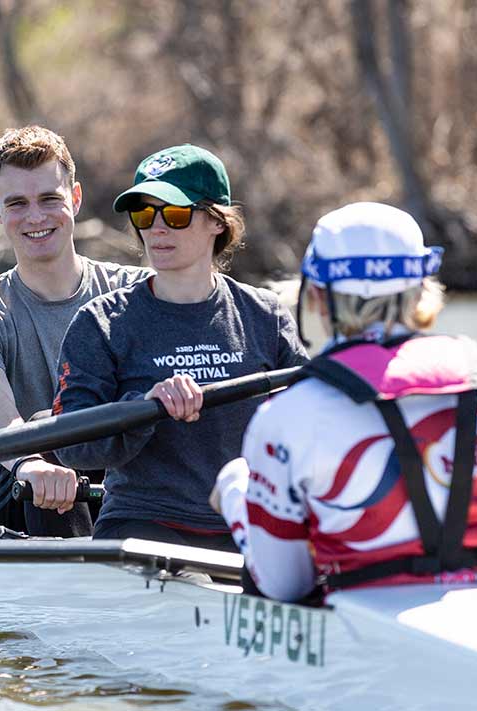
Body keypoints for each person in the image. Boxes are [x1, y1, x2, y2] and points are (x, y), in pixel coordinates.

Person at [213, 201, 477, 602]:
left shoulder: (288, 416)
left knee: (241, 478)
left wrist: (235, 489)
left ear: (316, 297)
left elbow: (284, 585)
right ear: (421, 290)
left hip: (371, 626)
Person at [47, 144, 306, 551]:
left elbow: (309, 420)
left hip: (245, 519)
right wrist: (143, 407)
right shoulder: (101, 322)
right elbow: (73, 445)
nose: (157, 229)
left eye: (175, 214)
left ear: (217, 222)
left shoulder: (265, 316)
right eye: (144, 215)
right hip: (143, 520)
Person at [0, 126, 148, 535]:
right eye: (17, 203)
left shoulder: (135, 292)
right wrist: (28, 464)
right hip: (25, 491)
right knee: (48, 427)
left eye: (49, 199)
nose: (35, 217)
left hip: (131, 485)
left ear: (75, 198)